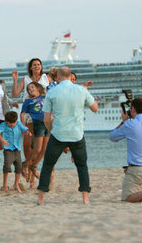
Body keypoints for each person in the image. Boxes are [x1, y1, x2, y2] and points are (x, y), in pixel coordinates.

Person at [37, 67, 98, 205]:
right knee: (82, 166)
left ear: (57, 77)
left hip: (58, 133)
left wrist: (52, 131)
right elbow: (95, 108)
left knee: (47, 165)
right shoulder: (81, 90)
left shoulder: (52, 92)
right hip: (77, 134)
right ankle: (85, 198)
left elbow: (46, 119)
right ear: (71, 76)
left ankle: (40, 199)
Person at [11, 58, 46, 162]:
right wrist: (15, 80)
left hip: (42, 111)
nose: (36, 66)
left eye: (38, 64)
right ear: (30, 67)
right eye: (34, 65)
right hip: (28, 112)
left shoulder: (45, 77)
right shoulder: (25, 79)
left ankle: (33, 165)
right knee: (27, 143)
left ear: (41, 66)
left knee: (42, 144)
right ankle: (28, 163)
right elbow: (14, 94)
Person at [20, 82, 49, 187]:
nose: (30, 89)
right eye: (28, 89)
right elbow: (22, 114)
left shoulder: (44, 97)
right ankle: (26, 163)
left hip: (47, 123)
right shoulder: (28, 101)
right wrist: (23, 127)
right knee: (37, 149)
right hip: (38, 123)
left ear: (37, 88)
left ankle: (34, 165)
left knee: (45, 150)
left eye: (32, 87)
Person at [0, 111, 31, 193]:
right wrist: (2, 140)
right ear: (6, 121)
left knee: (19, 167)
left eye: (13, 122)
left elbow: (25, 129)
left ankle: (16, 184)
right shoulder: (3, 125)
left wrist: (28, 132)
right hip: (8, 149)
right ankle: (5, 184)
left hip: (17, 148)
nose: (12, 124)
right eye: (10, 123)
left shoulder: (18, 124)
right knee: (7, 165)